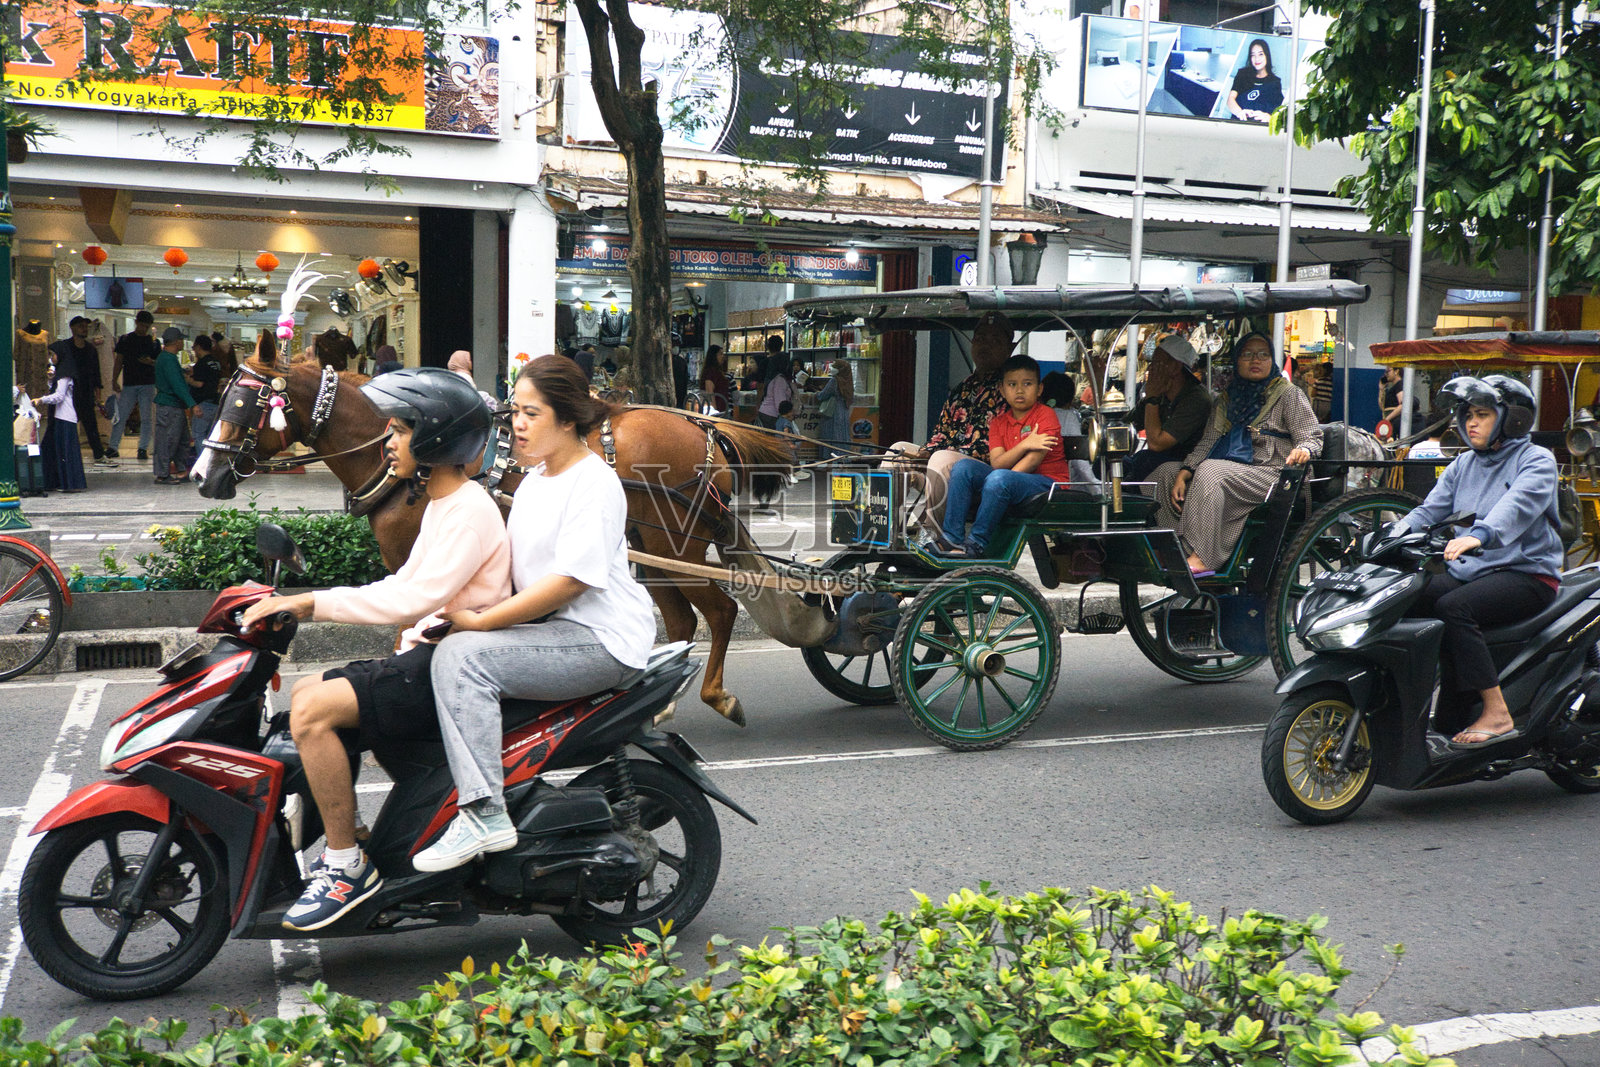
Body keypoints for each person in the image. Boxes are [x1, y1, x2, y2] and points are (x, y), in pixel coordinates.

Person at [238, 369, 511, 929]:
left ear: (435, 440)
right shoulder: (441, 503)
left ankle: (345, 866)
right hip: (427, 654)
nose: (387, 442)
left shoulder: (469, 510)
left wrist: (309, 604)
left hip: (445, 665)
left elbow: (412, 598)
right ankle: (359, 834)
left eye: (400, 431)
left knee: (313, 712)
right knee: (310, 692)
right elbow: (400, 585)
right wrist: (304, 599)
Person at [414, 356, 653, 872]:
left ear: (567, 419)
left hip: (602, 640)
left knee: (464, 659)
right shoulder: (538, 479)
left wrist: (479, 624)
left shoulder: (593, 482)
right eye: (514, 412)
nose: (517, 425)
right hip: (556, 632)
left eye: (531, 413)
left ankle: (483, 813)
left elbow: (569, 582)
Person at [1392, 375, 1561, 746]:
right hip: (1474, 573)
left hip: (1527, 575)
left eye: (1482, 414)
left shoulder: (1536, 460)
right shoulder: (1463, 463)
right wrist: (1388, 535)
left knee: (1454, 607)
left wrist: (1478, 534)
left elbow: (1515, 507)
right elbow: (1429, 511)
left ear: (1511, 419)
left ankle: (1498, 713)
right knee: (1405, 594)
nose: (1470, 422)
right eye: (1467, 414)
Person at [1154, 333, 1319, 574]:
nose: (1256, 360)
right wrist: (1185, 471)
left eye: (1264, 355)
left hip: (1276, 473)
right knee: (1165, 473)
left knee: (1212, 471)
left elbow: (1311, 435)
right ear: (1236, 361)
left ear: (1272, 360)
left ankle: (1203, 556)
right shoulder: (1227, 399)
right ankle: (1176, 550)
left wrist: (1303, 450)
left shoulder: (1288, 394)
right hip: (1234, 470)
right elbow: (1208, 442)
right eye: (1247, 354)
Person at [936, 354, 1089, 557]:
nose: (1019, 390)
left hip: (1049, 484)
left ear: (1039, 389)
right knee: (963, 468)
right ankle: (952, 538)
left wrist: (999, 484)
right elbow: (998, 462)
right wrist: (1025, 444)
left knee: (999, 479)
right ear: (1002, 389)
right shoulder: (999, 422)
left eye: (1027, 384)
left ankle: (977, 543)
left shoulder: (1045, 415)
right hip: (1011, 480)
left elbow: (1032, 461)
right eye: (1012, 384)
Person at [1126, 334, 1211, 483]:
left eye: (1157, 363)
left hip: (1187, 464)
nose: (1151, 369)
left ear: (1175, 367)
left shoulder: (1196, 399)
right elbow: (1127, 423)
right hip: (1157, 459)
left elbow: (1157, 444)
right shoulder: (1162, 393)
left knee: (1145, 461)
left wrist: (1152, 399)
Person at [49, 316, 110, 466]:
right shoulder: (64, 347)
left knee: (90, 424)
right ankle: (58, 453)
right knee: (62, 424)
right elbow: (50, 354)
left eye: (86, 326)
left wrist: (98, 396)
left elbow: (96, 374)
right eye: (81, 326)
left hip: (85, 392)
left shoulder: (90, 350)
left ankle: (99, 454)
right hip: (68, 393)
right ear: (73, 328)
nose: (84, 329)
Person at [109, 310, 160, 461]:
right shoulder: (126, 340)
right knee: (122, 415)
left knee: (146, 417)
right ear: (136, 322)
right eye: (142, 325)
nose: (144, 329)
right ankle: (113, 447)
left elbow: (159, 362)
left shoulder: (154, 342)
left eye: (147, 326)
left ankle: (143, 448)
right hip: (130, 383)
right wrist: (114, 379)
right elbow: (119, 360)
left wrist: (150, 362)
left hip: (148, 383)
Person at [152, 327, 198, 485]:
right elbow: (177, 385)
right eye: (181, 340)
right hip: (169, 406)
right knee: (168, 440)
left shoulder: (166, 358)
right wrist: (192, 404)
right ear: (177, 341)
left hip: (174, 406)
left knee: (182, 440)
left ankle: (181, 470)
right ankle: (162, 474)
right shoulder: (168, 359)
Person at [35, 354, 86, 492]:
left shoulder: (64, 376)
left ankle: (68, 483)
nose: (51, 358)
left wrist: (41, 400)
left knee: (65, 450)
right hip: (58, 416)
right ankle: (56, 481)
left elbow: (59, 396)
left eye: (53, 354)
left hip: (65, 416)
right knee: (55, 448)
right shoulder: (60, 374)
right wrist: (51, 380)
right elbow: (54, 389)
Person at [1228, 38, 1283, 121]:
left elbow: (1278, 111)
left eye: (1260, 54)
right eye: (1253, 55)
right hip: (1238, 122)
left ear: (1267, 56)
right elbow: (1230, 99)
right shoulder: (1243, 74)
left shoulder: (1274, 82)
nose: (1257, 59)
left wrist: (1269, 117)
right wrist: (1240, 113)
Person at [186, 334, 223, 451]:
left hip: (203, 404)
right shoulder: (216, 362)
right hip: (216, 403)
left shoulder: (201, 364)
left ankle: (202, 465)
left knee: (198, 435)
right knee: (211, 437)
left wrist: (187, 379)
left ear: (198, 347)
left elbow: (199, 383)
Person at [814, 357, 855, 460]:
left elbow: (823, 395)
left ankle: (829, 463)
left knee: (829, 437)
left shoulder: (834, 381)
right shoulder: (848, 382)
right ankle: (842, 461)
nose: (831, 368)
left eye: (834, 366)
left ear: (840, 369)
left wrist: (816, 393)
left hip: (832, 413)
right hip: (843, 412)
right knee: (841, 437)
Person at [756, 354, 794, 430]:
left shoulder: (773, 378)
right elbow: (780, 402)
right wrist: (787, 415)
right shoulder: (780, 380)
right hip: (771, 416)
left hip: (767, 413)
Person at [700, 344, 730, 412]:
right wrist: (714, 410)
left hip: (722, 408)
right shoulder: (711, 372)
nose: (723, 357)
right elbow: (710, 392)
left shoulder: (717, 371)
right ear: (714, 356)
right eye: (720, 354)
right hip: (717, 410)